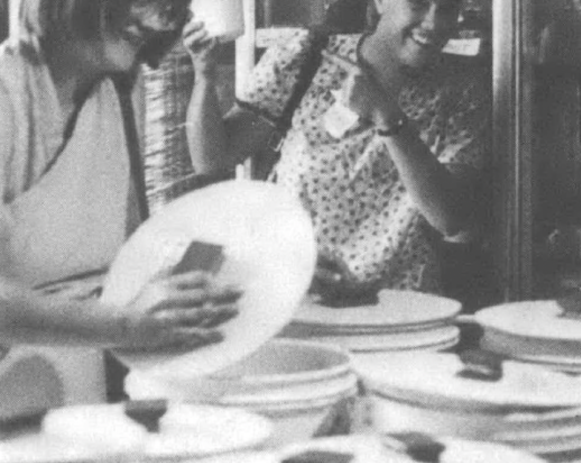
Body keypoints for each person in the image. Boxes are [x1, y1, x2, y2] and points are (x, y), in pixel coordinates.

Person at [0, 0, 241, 414]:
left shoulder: (117, 91)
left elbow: (130, 256)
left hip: (76, 404)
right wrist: (128, 325)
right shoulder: (8, 96)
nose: (160, 18)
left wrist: (267, 257)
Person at [183, 0, 491, 298]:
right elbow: (213, 159)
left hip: (400, 311)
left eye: (448, 8)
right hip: (296, 297)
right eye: (418, 3)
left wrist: (388, 118)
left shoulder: (462, 92)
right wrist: (204, 77)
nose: (434, 23)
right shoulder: (308, 56)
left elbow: (450, 218)